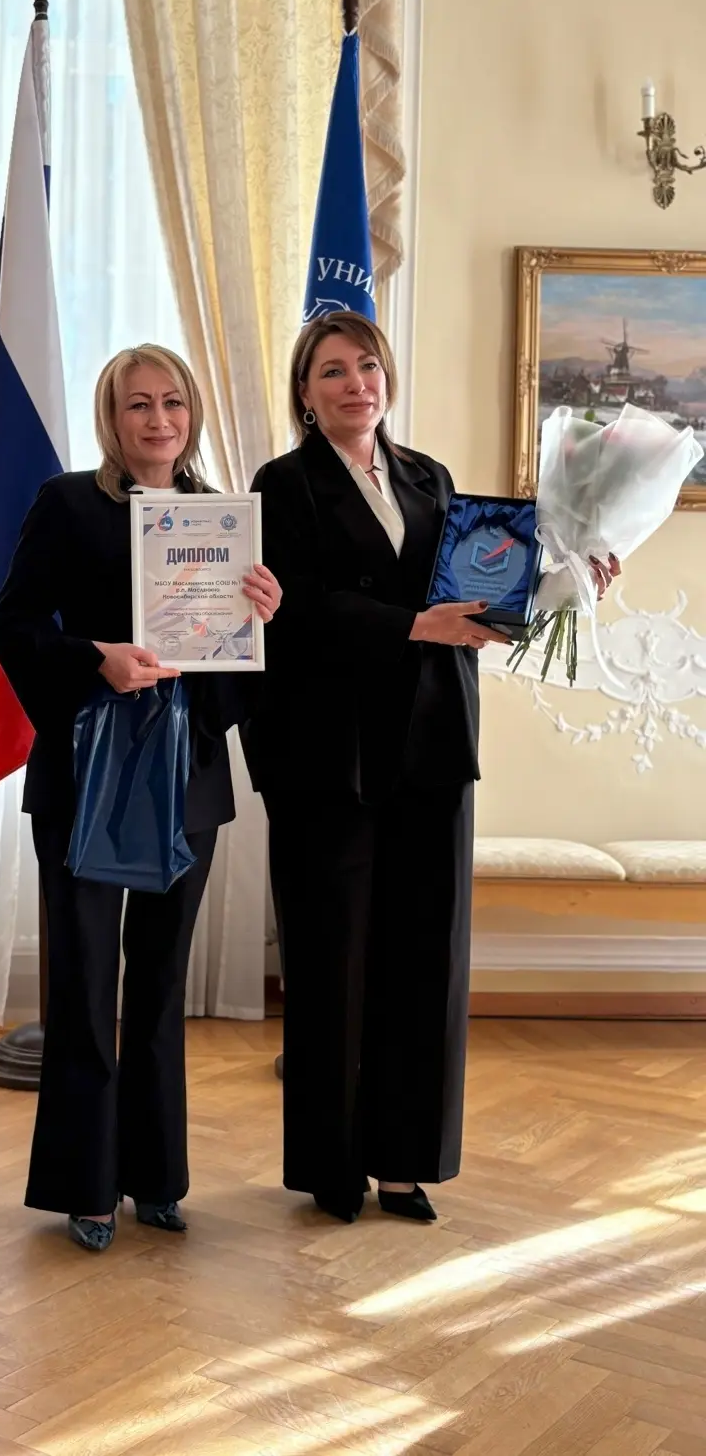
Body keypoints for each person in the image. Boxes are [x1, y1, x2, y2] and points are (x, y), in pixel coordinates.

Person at [243, 311, 613, 1225]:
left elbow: (476, 602)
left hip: (432, 742)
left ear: (387, 377)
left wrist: (567, 584)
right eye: (333, 371)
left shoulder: (430, 478)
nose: (355, 384)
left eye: (367, 366)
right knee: (331, 962)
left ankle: (405, 1163)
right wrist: (412, 625)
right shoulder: (281, 484)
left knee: (424, 958)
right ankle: (332, 1168)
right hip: (327, 754)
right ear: (305, 393)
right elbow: (294, 611)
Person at [0, 345, 280, 1251]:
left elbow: (244, 676)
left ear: (192, 416)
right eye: (138, 405)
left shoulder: (224, 519)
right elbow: (13, 625)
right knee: (83, 983)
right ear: (111, 419)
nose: (159, 421)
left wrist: (259, 621)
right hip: (87, 772)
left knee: (159, 984)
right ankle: (84, 1185)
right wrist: (95, 661)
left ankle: (155, 1177)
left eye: (173, 404)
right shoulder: (67, 503)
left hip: (188, 777)